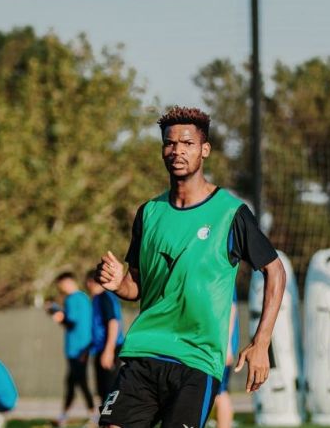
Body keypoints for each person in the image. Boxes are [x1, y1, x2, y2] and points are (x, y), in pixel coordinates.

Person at [97, 106, 286, 428]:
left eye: (187, 143)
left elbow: (275, 271)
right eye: (170, 144)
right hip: (145, 350)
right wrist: (118, 284)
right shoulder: (149, 213)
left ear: (204, 149)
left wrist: (261, 342)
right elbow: (136, 286)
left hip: (197, 361)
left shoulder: (230, 213)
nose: (177, 151)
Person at [49, 271, 96, 426]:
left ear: (67, 282)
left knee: (80, 382)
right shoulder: (84, 298)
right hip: (79, 348)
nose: (60, 289)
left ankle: (93, 416)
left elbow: (71, 322)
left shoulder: (73, 299)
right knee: (72, 382)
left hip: (78, 349)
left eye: (60, 285)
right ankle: (64, 416)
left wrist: (59, 317)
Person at [85, 269, 125, 406]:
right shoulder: (97, 299)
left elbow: (113, 322)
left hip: (109, 347)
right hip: (101, 348)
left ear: (90, 282)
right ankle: (104, 417)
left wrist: (109, 350)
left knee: (109, 388)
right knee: (102, 389)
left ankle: (111, 417)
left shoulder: (105, 297)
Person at [215, 289, 240, 428]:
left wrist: (228, 345)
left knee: (220, 392)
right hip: (218, 345)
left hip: (221, 346)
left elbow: (231, 307)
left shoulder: (225, 278)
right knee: (219, 392)